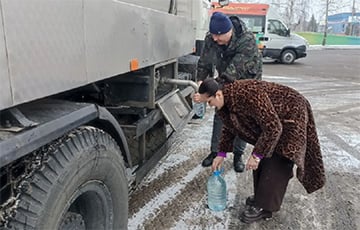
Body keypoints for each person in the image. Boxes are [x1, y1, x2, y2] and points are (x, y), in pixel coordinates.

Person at [198, 77, 326, 224]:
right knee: (264, 151)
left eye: (209, 101)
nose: (210, 105)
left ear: (218, 94)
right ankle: (261, 198)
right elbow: (229, 127)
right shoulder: (225, 103)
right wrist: (221, 154)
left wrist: (257, 155)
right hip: (274, 123)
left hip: (291, 115)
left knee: (278, 159)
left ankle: (265, 207)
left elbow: (273, 127)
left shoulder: (247, 93)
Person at [194, 12, 262, 172]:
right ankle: (215, 152)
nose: (215, 39)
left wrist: (207, 94)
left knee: (241, 117)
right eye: (213, 35)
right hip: (224, 76)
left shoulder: (247, 40)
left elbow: (232, 73)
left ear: (229, 30)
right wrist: (200, 82)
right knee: (220, 114)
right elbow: (204, 62)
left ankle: (238, 154)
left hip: (246, 80)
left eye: (219, 35)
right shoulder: (212, 38)